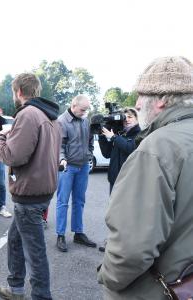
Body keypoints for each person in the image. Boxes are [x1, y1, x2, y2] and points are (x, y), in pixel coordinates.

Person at [97, 56, 193, 299]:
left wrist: (106, 276)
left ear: (162, 98)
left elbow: (131, 250)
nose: (137, 104)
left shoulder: (159, 147)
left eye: (142, 95)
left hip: (157, 289)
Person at [0, 73, 61, 300]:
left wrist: (0, 138)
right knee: (15, 240)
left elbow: (14, 156)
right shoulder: (51, 116)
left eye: (14, 92)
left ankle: (41, 296)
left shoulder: (29, 114)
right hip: (42, 189)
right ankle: (16, 288)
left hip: (29, 194)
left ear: (19, 91)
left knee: (35, 252)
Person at [56, 95, 96, 252]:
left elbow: (90, 140)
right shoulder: (62, 121)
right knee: (63, 201)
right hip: (68, 167)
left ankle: (78, 233)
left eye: (87, 110)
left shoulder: (85, 121)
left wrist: (89, 154)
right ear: (73, 106)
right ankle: (60, 235)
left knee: (79, 201)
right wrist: (62, 160)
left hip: (83, 166)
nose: (85, 113)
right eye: (83, 110)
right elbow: (59, 145)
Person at [98, 108, 141, 193]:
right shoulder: (119, 134)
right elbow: (107, 154)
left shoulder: (139, 134)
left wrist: (114, 137)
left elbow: (130, 148)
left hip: (129, 181)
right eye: (124, 118)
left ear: (137, 119)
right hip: (114, 180)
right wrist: (102, 136)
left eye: (130, 117)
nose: (127, 120)